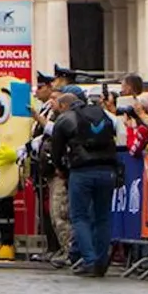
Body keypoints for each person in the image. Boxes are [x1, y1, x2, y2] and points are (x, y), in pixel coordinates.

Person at [47, 89, 119, 276]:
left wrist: (61, 170)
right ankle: (101, 261)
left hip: (82, 171)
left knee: (79, 216)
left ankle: (90, 260)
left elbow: (56, 151)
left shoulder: (64, 119)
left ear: (64, 106)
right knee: (103, 216)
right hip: (107, 169)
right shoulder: (101, 114)